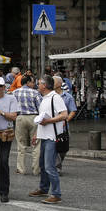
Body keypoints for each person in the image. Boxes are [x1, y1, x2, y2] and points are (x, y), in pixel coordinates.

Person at [29, 75, 68, 204]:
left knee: (49, 166)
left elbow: (64, 114)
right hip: (44, 136)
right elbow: (42, 119)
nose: (37, 85)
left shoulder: (55, 98)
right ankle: (43, 188)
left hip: (52, 137)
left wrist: (49, 121)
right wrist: (36, 134)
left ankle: (56, 194)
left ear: (44, 85)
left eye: (39, 83)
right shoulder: (44, 98)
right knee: (42, 165)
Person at [13, 74, 42, 175]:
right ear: (28, 82)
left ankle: (21, 169)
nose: (34, 84)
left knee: (21, 145)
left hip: (20, 118)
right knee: (36, 144)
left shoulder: (15, 92)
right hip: (34, 118)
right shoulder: (35, 93)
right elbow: (40, 108)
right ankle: (36, 169)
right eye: (33, 82)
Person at [53, 75, 77, 173]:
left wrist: (66, 120)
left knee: (63, 149)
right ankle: (56, 167)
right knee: (53, 147)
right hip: (52, 126)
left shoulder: (68, 97)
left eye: (53, 81)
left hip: (64, 127)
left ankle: (58, 163)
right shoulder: (50, 96)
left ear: (59, 84)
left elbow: (73, 111)